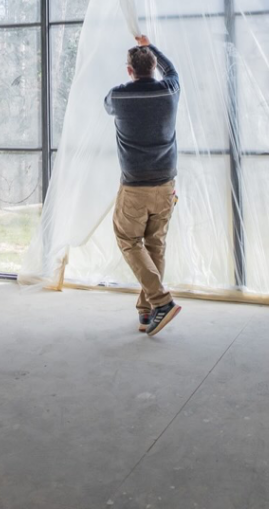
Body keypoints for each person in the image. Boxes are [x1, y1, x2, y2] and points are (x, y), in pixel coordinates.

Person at [104, 34, 182, 337]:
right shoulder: (170, 90)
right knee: (155, 244)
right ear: (154, 67)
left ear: (129, 71)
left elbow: (106, 106)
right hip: (165, 184)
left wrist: (143, 54)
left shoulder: (119, 96)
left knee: (128, 240)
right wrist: (151, 48)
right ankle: (147, 310)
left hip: (135, 186)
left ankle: (161, 301)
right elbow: (172, 70)